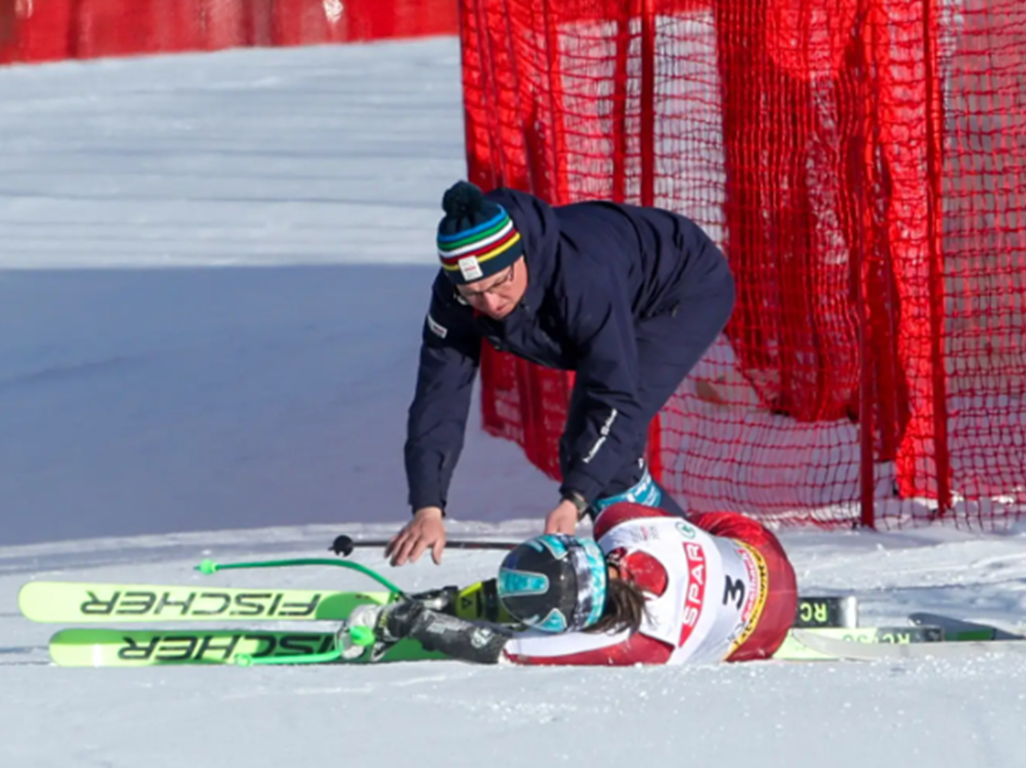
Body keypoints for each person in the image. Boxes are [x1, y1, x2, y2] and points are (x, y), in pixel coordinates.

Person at [385, 180, 735, 567]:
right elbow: (439, 396)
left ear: (520, 257)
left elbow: (615, 395)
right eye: (473, 293)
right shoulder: (456, 296)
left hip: (681, 290)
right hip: (613, 297)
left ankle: (703, 572)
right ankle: (663, 561)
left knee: (600, 458)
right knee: (589, 456)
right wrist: (428, 506)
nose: (490, 303)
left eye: (499, 284)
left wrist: (575, 499)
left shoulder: (580, 276)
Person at [349, 501, 797, 666]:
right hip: (762, 555)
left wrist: (412, 621)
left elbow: (502, 649)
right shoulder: (622, 526)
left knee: (691, 529)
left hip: (761, 637)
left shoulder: (634, 642)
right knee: (693, 527)